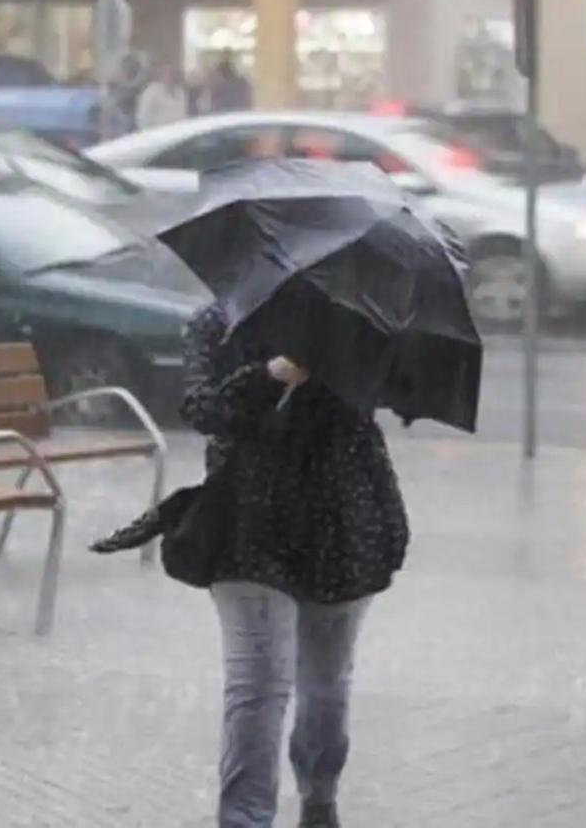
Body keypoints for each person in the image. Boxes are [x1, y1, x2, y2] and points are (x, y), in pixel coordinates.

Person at [181, 304, 408, 827]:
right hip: (248, 523)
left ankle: (319, 799)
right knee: (258, 685)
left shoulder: (362, 316)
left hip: (344, 521)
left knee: (325, 683)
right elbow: (201, 409)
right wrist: (272, 375)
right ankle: (244, 819)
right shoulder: (218, 321)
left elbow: (393, 391)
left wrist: (345, 350)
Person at [136, 64, 190, 130]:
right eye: (169, 73)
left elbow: (183, 115)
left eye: (176, 74)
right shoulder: (152, 91)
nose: (172, 77)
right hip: (157, 135)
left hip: (177, 134)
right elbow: (143, 117)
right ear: (162, 75)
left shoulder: (181, 92)